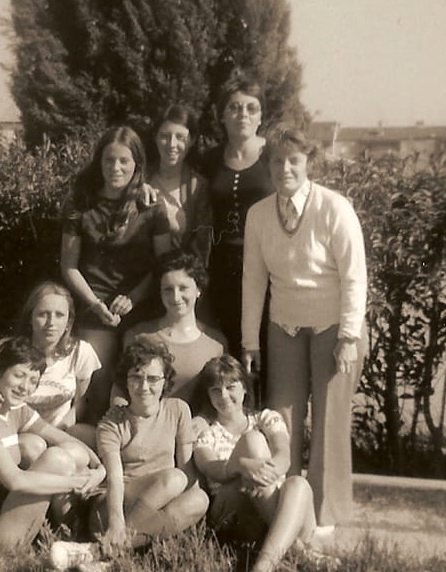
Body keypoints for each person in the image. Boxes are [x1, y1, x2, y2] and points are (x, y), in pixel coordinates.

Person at [242, 125, 368, 527]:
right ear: (268, 166)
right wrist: (250, 341)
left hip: (336, 328)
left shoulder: (334, 207)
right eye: (277, 161)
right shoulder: (258, 214)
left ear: (308, 162)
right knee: (280, 421)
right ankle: (284, 509)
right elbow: (253, 281)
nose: (285, 169)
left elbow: (355, 277)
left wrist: (349, 336)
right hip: (285, 327)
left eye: (293, 160)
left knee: (329, 422)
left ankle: (324, 516)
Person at [49, 339, 209, 572]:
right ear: (126, 380)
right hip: (112, 508)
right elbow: (114, 479)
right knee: (175, 478)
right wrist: (116, 524)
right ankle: (113, 543)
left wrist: (193, 520)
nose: (144, 386)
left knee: (199, 499)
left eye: (153, 378)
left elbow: (187, 468)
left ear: (165, 381)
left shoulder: (178, 410)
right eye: (136, 377)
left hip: (157, 506)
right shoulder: (112, 423)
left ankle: (100, 553)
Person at [192, 356, 335, 572]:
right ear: (208, 395)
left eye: (231, 387)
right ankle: (300, 551)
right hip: (231, 511)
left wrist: (260, 473)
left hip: (268, 504)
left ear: (245, 388)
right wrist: (240, 466)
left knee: (298, 484)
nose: (223, 396)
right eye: (215, 390)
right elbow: (211, 468)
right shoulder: (207, 432)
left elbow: (283, 457)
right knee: (252, 441)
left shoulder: (266, 418)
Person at [0, 338, 105, 547]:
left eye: (33, 380)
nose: (25, 387)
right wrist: (78, 483)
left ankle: (72, 534)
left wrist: (99, 469)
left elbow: (64, 438)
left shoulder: (16, 409)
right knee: (57, 460)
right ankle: (73, 534)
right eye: (19, 375)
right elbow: (14, 481)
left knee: (72, 452)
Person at [61, 126, 172, 421]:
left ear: (136, 163)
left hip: (141, 305)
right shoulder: (80, 204)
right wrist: (95, 304)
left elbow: (163, 264)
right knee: (95, 387)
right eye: (109, 160)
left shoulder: (151, 205)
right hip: (94, 307)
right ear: (99, 161)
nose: (116, 167)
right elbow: (69, 266)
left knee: (140, 385)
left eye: (124, 160)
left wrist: (133, 297)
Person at [199, 72, 272, 356]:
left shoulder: (274, 155)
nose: (243, 114)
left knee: (265, 348)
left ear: (261, 116)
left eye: (251, 108)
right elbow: (173, 177)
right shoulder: (209, 160)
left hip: (269, 267)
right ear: (222, 116)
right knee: (228, 349)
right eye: (234, 107)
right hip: (223, 269)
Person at [0, 282, 101, 447]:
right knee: (34, 445)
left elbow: (80, 401)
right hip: (16, 434)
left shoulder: (81, 352)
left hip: (60, 431)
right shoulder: (6, 349)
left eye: (59, 315)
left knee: (95, 437)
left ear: (68, 322)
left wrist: (64, 428)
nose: (51, 322)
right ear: (30, 318)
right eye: (43, 314)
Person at [122, 250, 225, 414]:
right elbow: (120, 389)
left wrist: (203, 421)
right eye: (168, 289)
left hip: (196, 426)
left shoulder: (216, 344)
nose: (176, 297)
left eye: (183, 288)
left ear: (198, 290)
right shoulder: (138, 335)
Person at [146, 104, 211, 266]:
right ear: (155, 137)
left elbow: (201, 250)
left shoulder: (198, 187)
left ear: (192, 141)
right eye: (165, 136)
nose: (171, 144)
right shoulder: (140, 178)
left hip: (177, 275)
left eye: (180, 137)